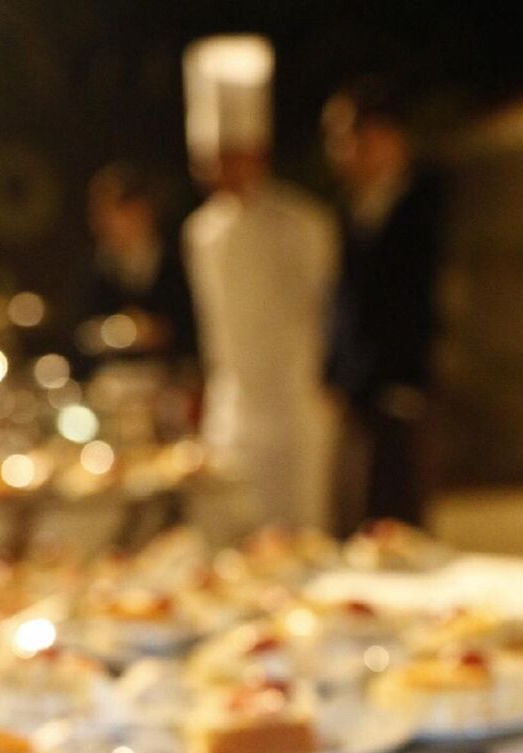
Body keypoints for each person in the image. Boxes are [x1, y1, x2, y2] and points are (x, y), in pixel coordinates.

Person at [181, 35, 335, 531]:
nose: (222, 168)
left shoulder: (304, 224)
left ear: (258, 152)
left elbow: (326, 314)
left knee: (298, 534)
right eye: (212, 157)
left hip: (293, 407)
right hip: (230, 412)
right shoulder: (200, 233)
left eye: (232, 154)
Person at [322, 74, 444, 533]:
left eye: (347, 137)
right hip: (356, 395)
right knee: (356, 517)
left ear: (384, 137)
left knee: (401, 519)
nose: (339, 151)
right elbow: (343, 305)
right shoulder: (347, 212)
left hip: (406, 391)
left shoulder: (429, 204)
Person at [74, 163, 195, 367]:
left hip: (173, 373)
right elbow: (79, 334)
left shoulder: (177, 259)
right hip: (114, 375)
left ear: (142, 211)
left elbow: (194, 326)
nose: (101, 223)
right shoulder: (96, 267)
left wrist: (158, 331)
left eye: (113, 212)